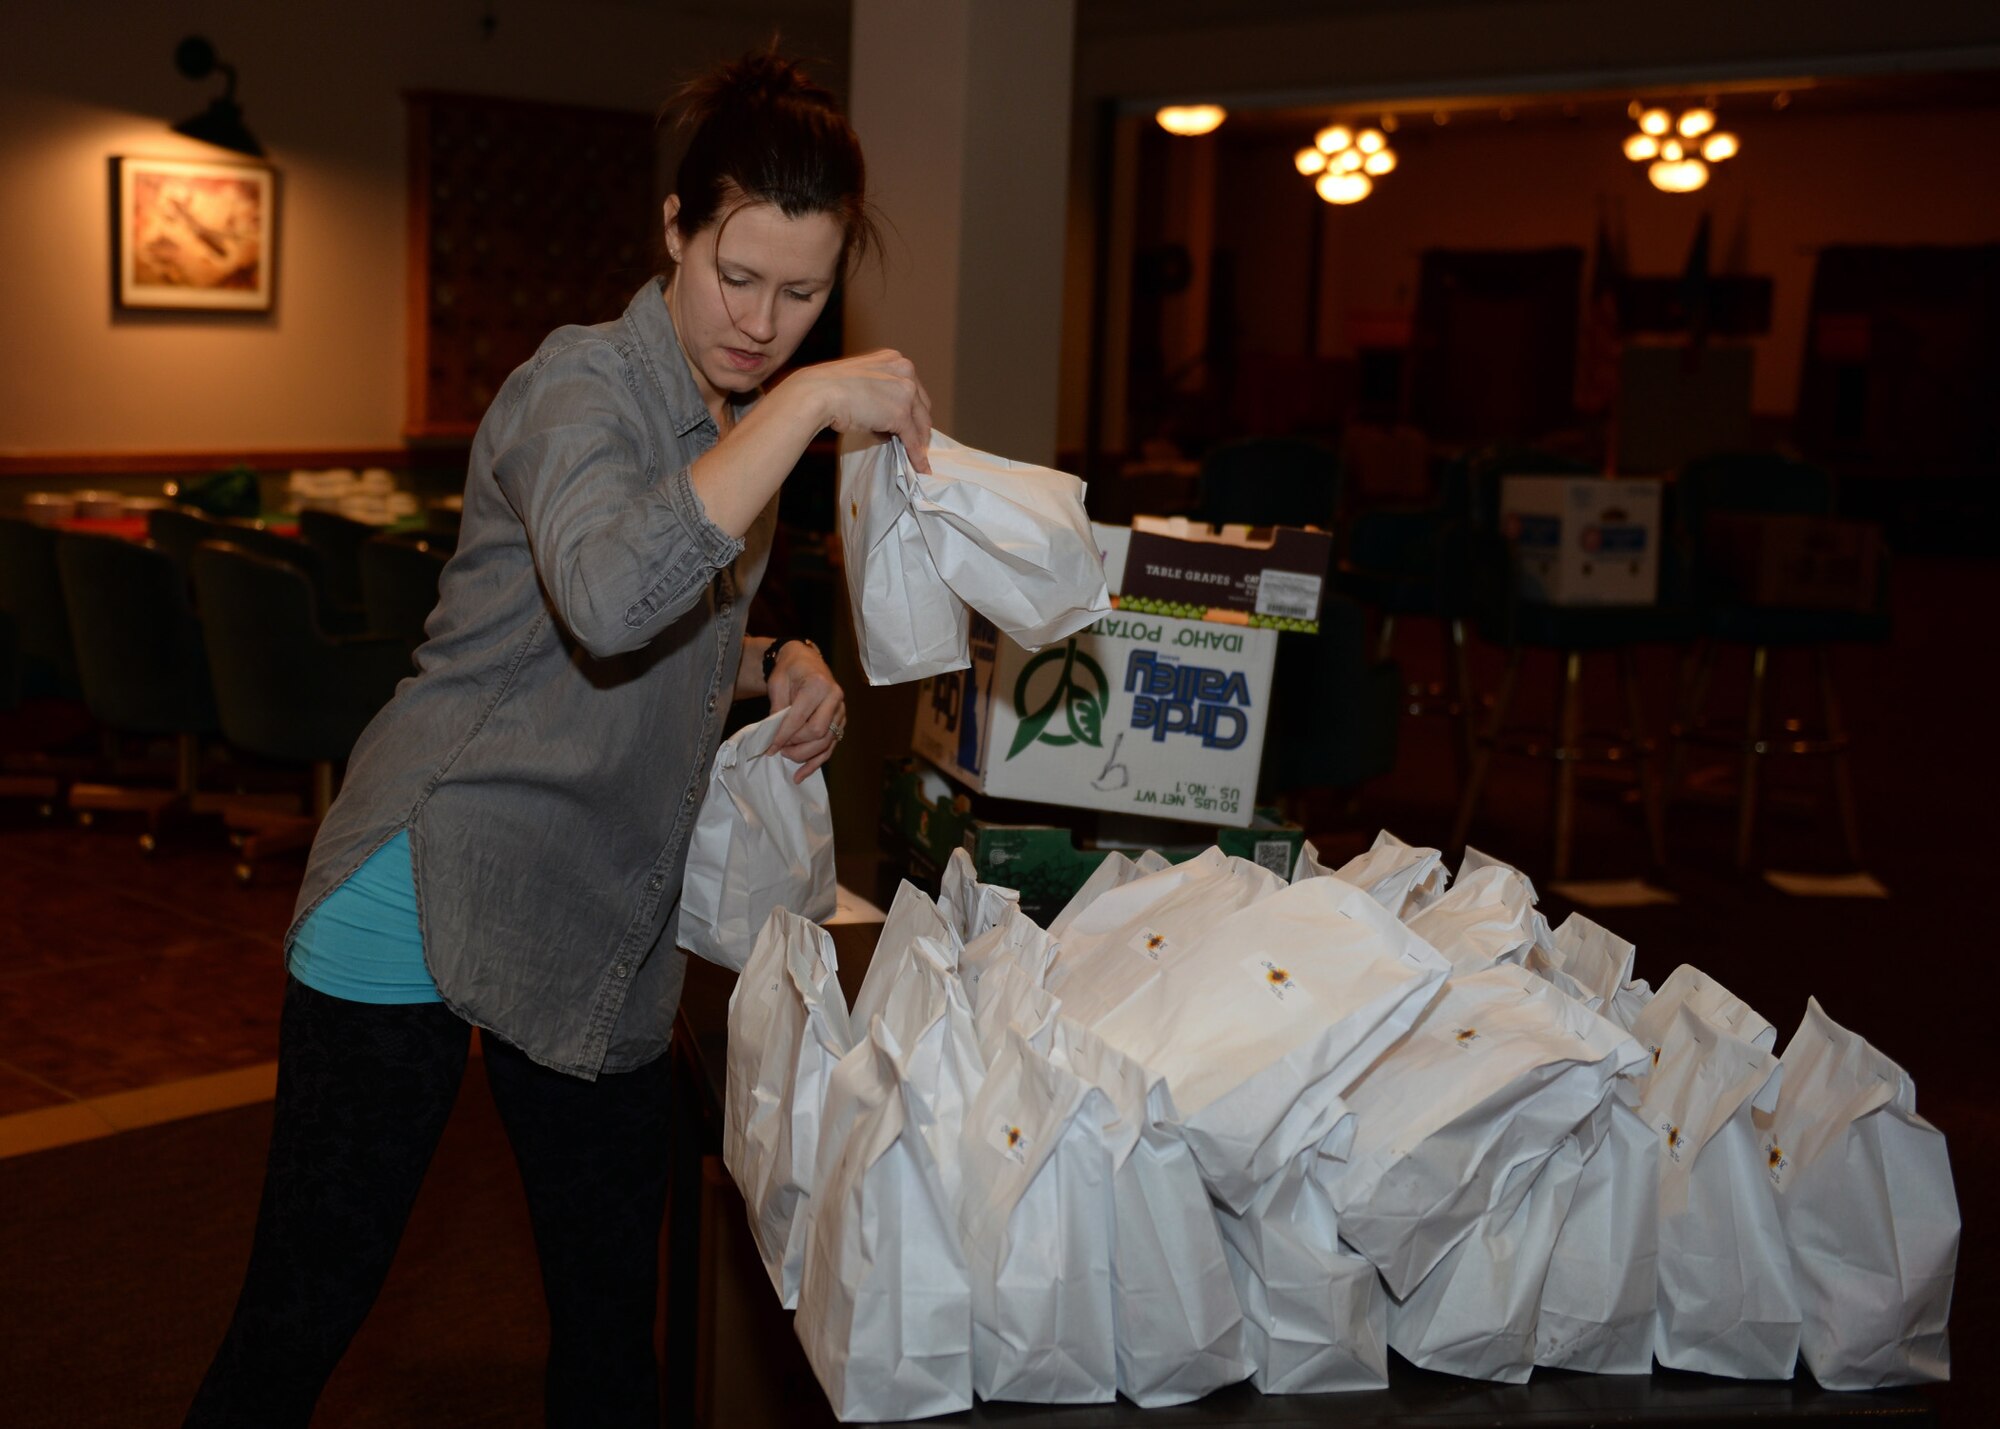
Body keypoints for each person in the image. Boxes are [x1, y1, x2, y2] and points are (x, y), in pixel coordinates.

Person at [185, 50, 931, 1428]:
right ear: (672, 228)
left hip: (588, 913)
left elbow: (658, 644)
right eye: (737, 274)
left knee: (610, 1338)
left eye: (804, 293)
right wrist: (806, 406)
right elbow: (605, 593)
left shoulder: (733, 419)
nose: (766, 322)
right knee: (297, 1324)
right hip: (427, 874)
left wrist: (778, 659)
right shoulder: (577, 387)